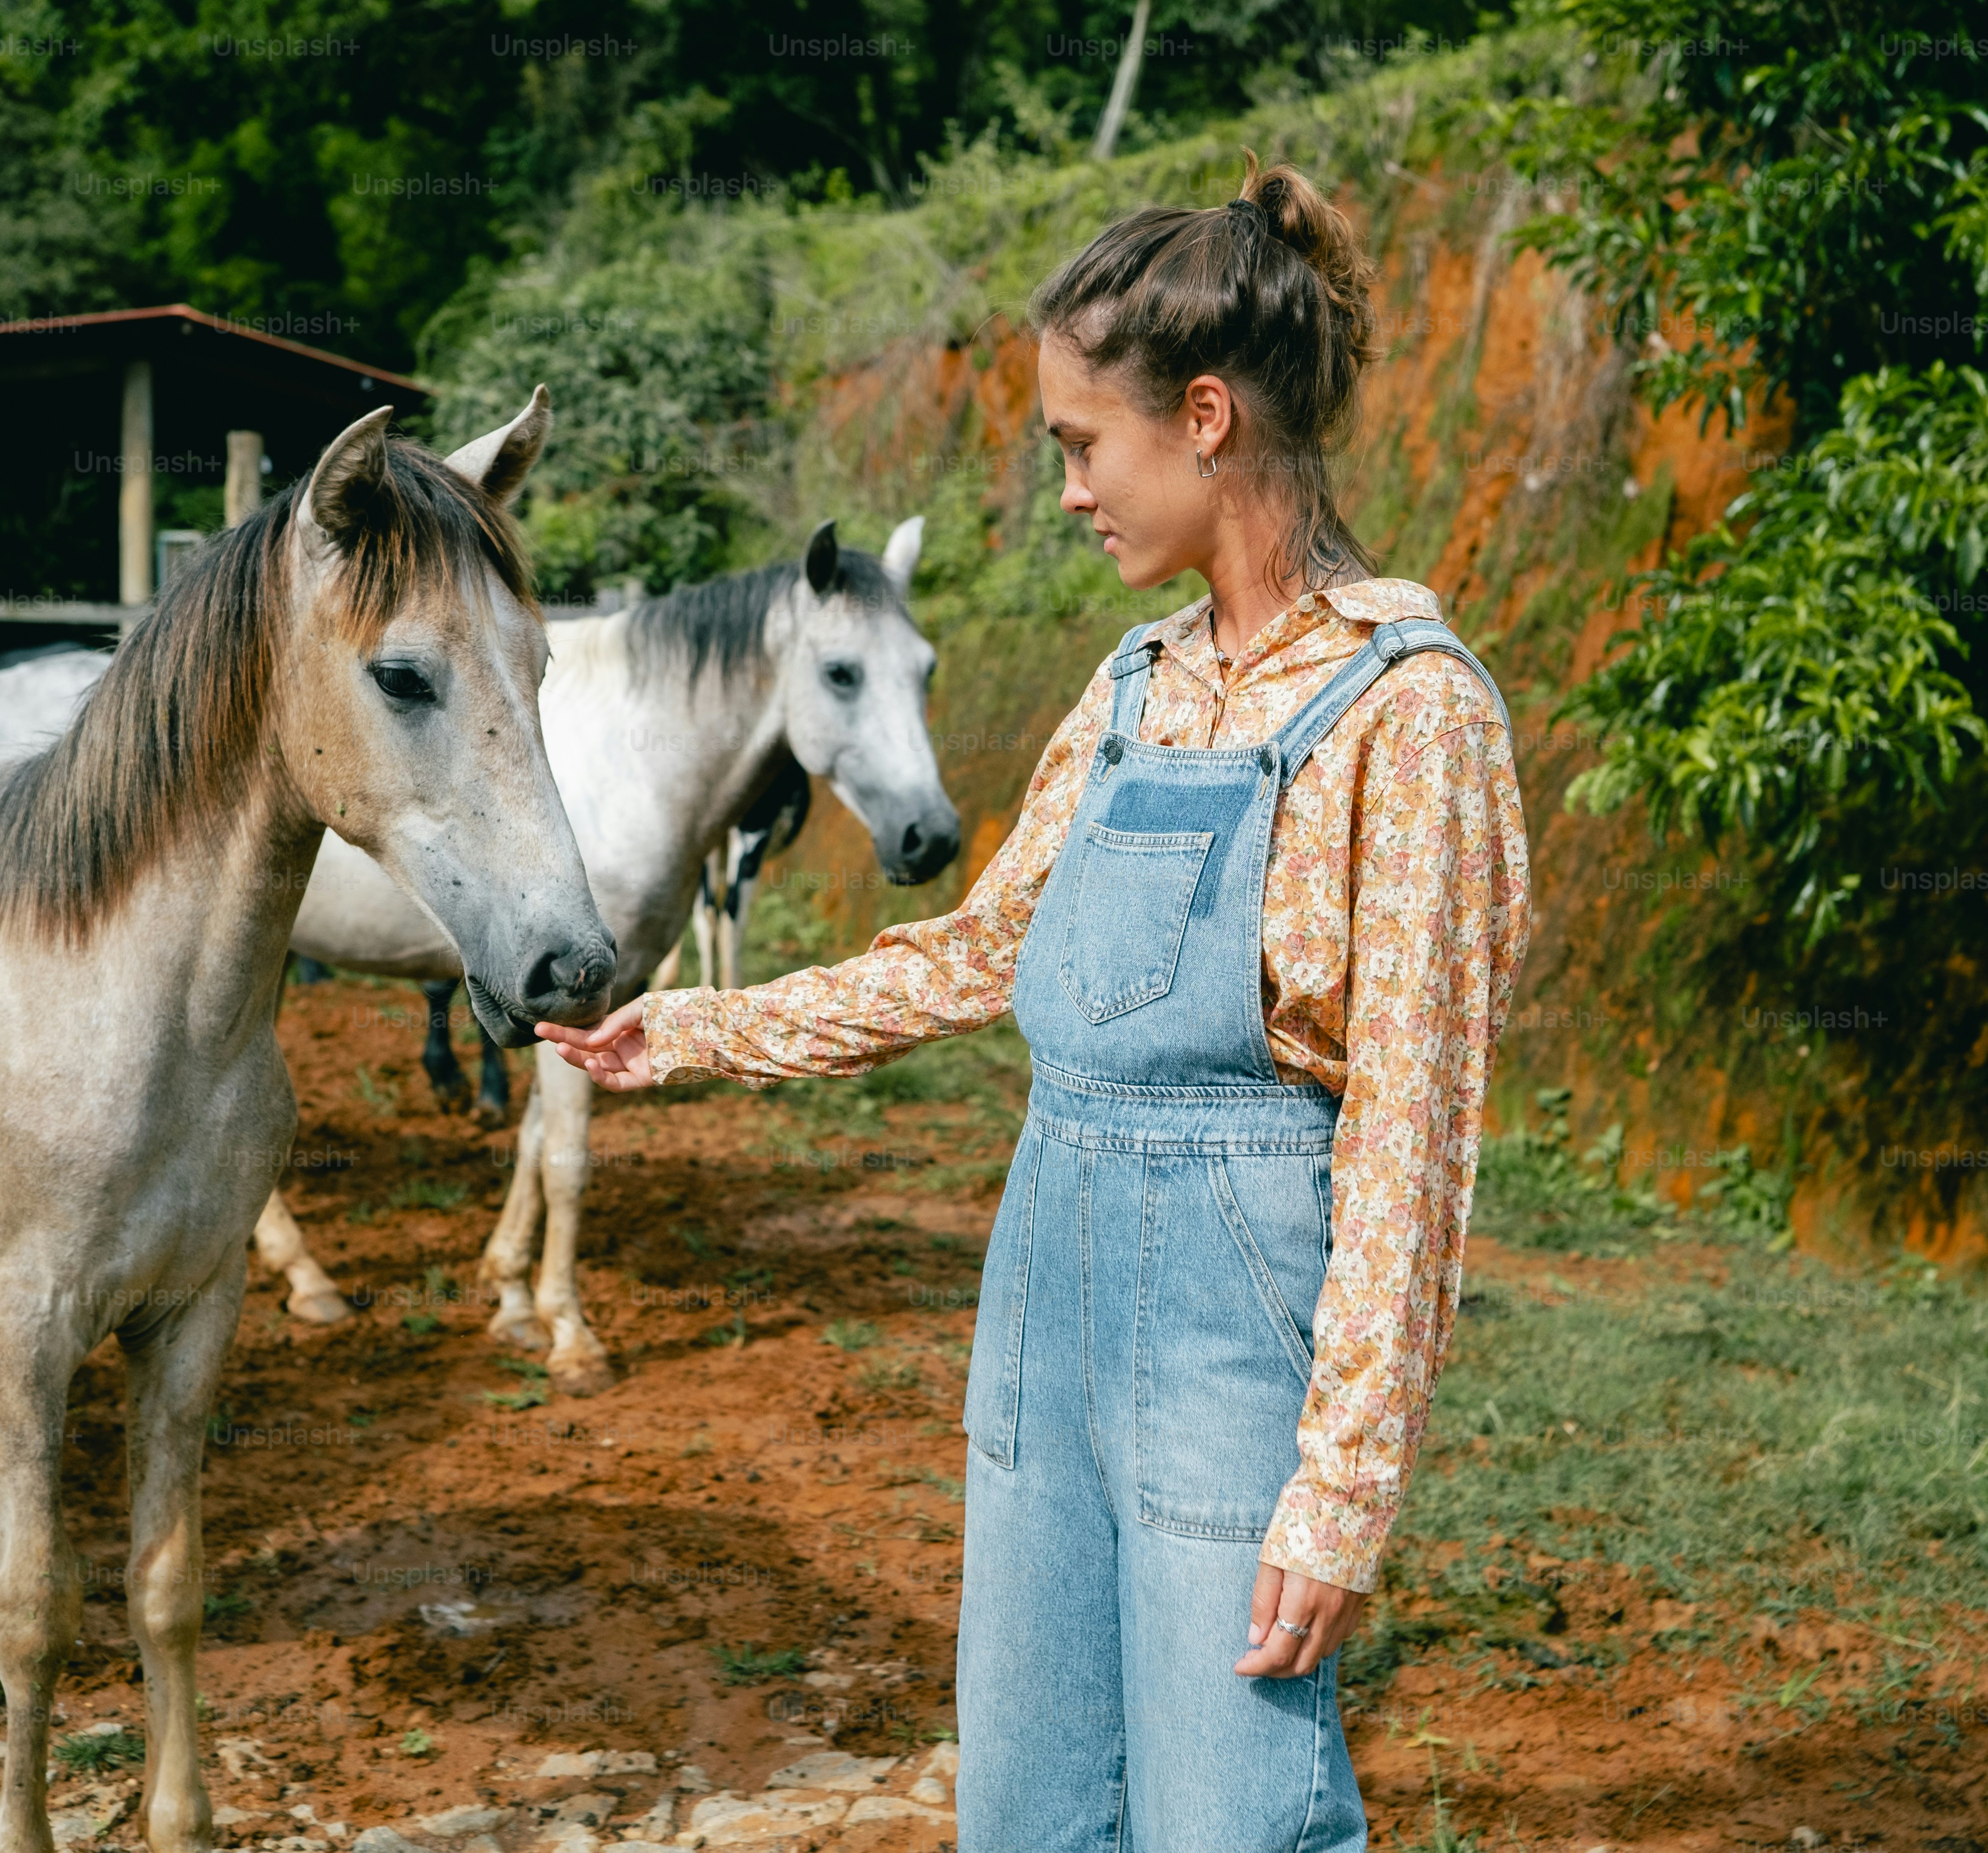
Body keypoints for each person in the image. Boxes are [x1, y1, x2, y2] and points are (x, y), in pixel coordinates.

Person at [541, 155, 1531, 1853]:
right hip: (1043, 1306)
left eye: (1083, 444)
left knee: (1232, 1815)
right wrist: (691, 1029)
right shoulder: (1133, 685)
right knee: (1033, 1805)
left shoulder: (1408, 715)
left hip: (1238, 1336)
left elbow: (1412, 1134)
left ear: (1206, 417)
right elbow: (978, 950)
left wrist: (1344, 1489)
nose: (1066, 488)